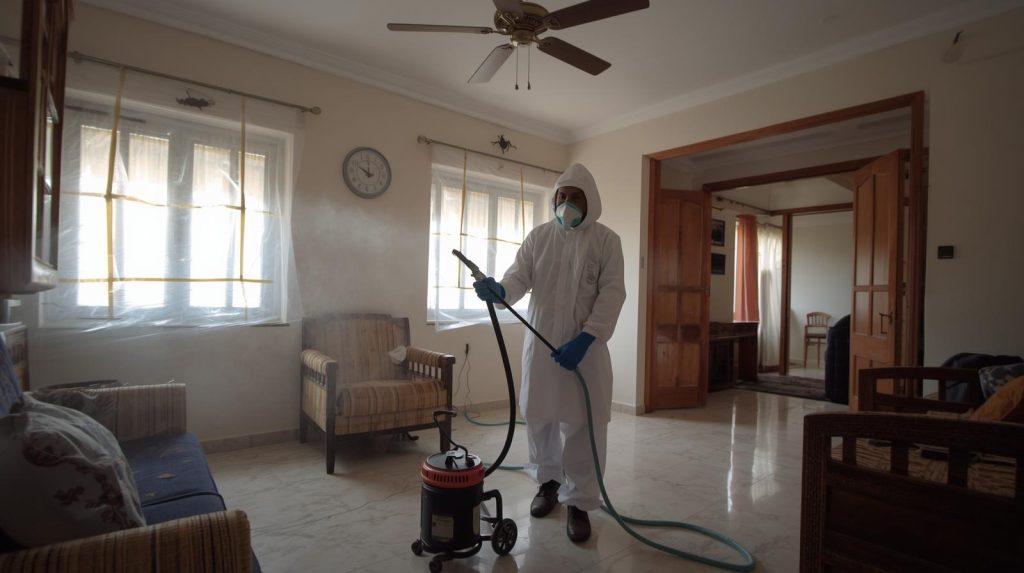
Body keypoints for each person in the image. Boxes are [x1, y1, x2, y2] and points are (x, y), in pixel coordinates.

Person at [473, 163, 625, 543]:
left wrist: (586, 339)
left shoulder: (607, 241)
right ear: (553, 200)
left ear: (591, 202)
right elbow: (518, 278)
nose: (567, 204)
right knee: (539, 416)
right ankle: (549, 485)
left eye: (576, 198)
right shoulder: (538, 237)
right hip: (541, 350)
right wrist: (500, 290)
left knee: (581, 425)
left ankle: (580, 502)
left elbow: (612, 294)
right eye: (562, 197)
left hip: (584, 352)